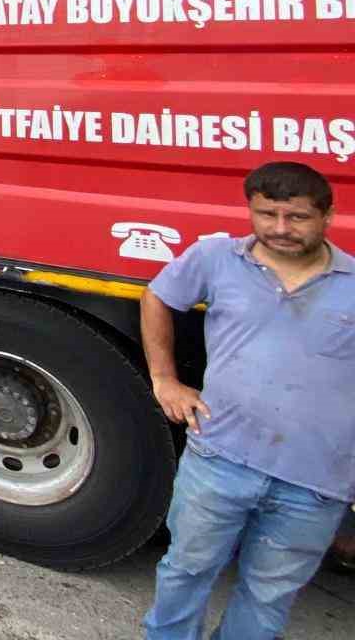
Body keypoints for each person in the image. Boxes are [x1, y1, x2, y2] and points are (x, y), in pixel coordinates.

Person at [141, 161, 353, 640]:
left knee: (268, 595)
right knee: (186, 572)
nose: (279, 228)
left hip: (315, 483)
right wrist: (164, 380)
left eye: (296, 217)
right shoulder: (216, 258)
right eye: (266, 214)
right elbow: (157, 298)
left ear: (327, 216)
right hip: (219, 460)